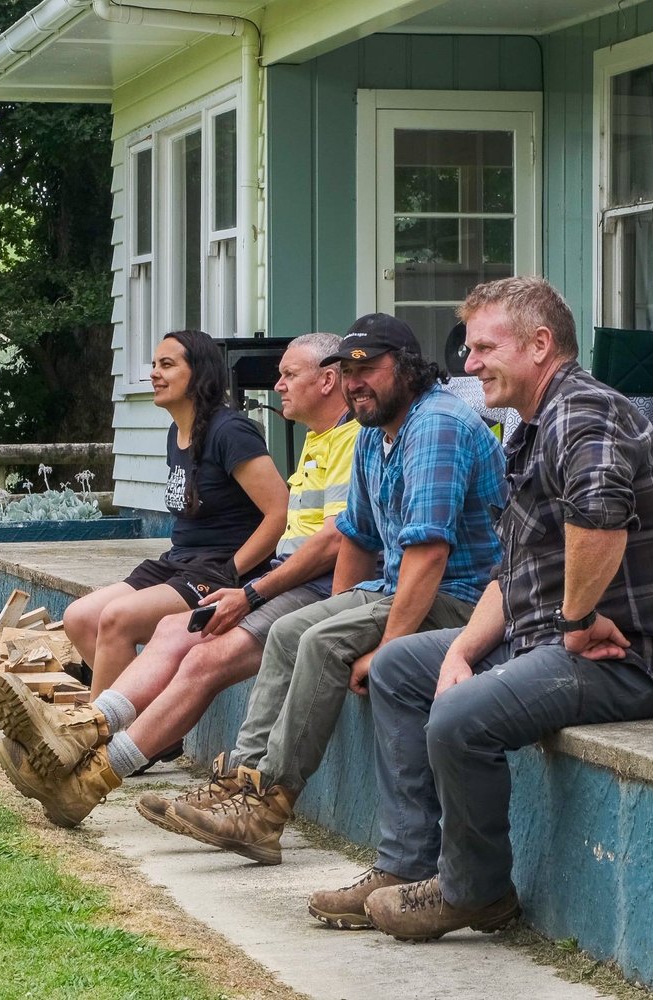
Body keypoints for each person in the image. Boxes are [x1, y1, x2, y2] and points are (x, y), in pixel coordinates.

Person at [307, 276, 653, 942]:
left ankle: (477, 892)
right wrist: (463, 652)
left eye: (482, 348)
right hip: (551, 637)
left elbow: (601, 518)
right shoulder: (530, 428)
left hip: (633, 658)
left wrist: (579, 623)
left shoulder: (587, 413)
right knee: (402, 668)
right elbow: (512, 570)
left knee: (462, 717)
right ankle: (405, 864)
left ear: (540, 344)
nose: (467, 365)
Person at [149, 312, 507, 866]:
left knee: (320, 641)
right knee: (294, 629)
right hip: (398, 586)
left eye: (369, 367)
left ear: (408, 368)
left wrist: (387, 649)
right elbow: (359, 538)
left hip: (466, 598)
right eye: (347, 369)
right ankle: (245, 780)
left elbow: (429, 554)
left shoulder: (437, 425)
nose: (355, 380)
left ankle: (267, 807)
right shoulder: (374, 435)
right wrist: (336, 610)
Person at [0, 333, 360, 827]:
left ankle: (90, 759)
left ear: (328, 379)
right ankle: (85, 738)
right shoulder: (318, 440)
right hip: (251, 573)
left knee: (166, 638)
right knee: (154, 629)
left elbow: (322, 537)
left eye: (289, 375)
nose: (277, 385)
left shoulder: (336, 438)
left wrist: (243, 584)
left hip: (262, 577)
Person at [61, 329, 288, 700]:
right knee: (80, 617)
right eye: (153, 365)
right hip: (180, 562)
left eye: (167, 364)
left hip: (219, 568)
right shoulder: (177, 432)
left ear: (198, 374)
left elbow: (279, 513)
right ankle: (148, 725)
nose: (154, 373)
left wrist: (231, 572)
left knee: (118, 619)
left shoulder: (231, 431)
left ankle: (96, 738)